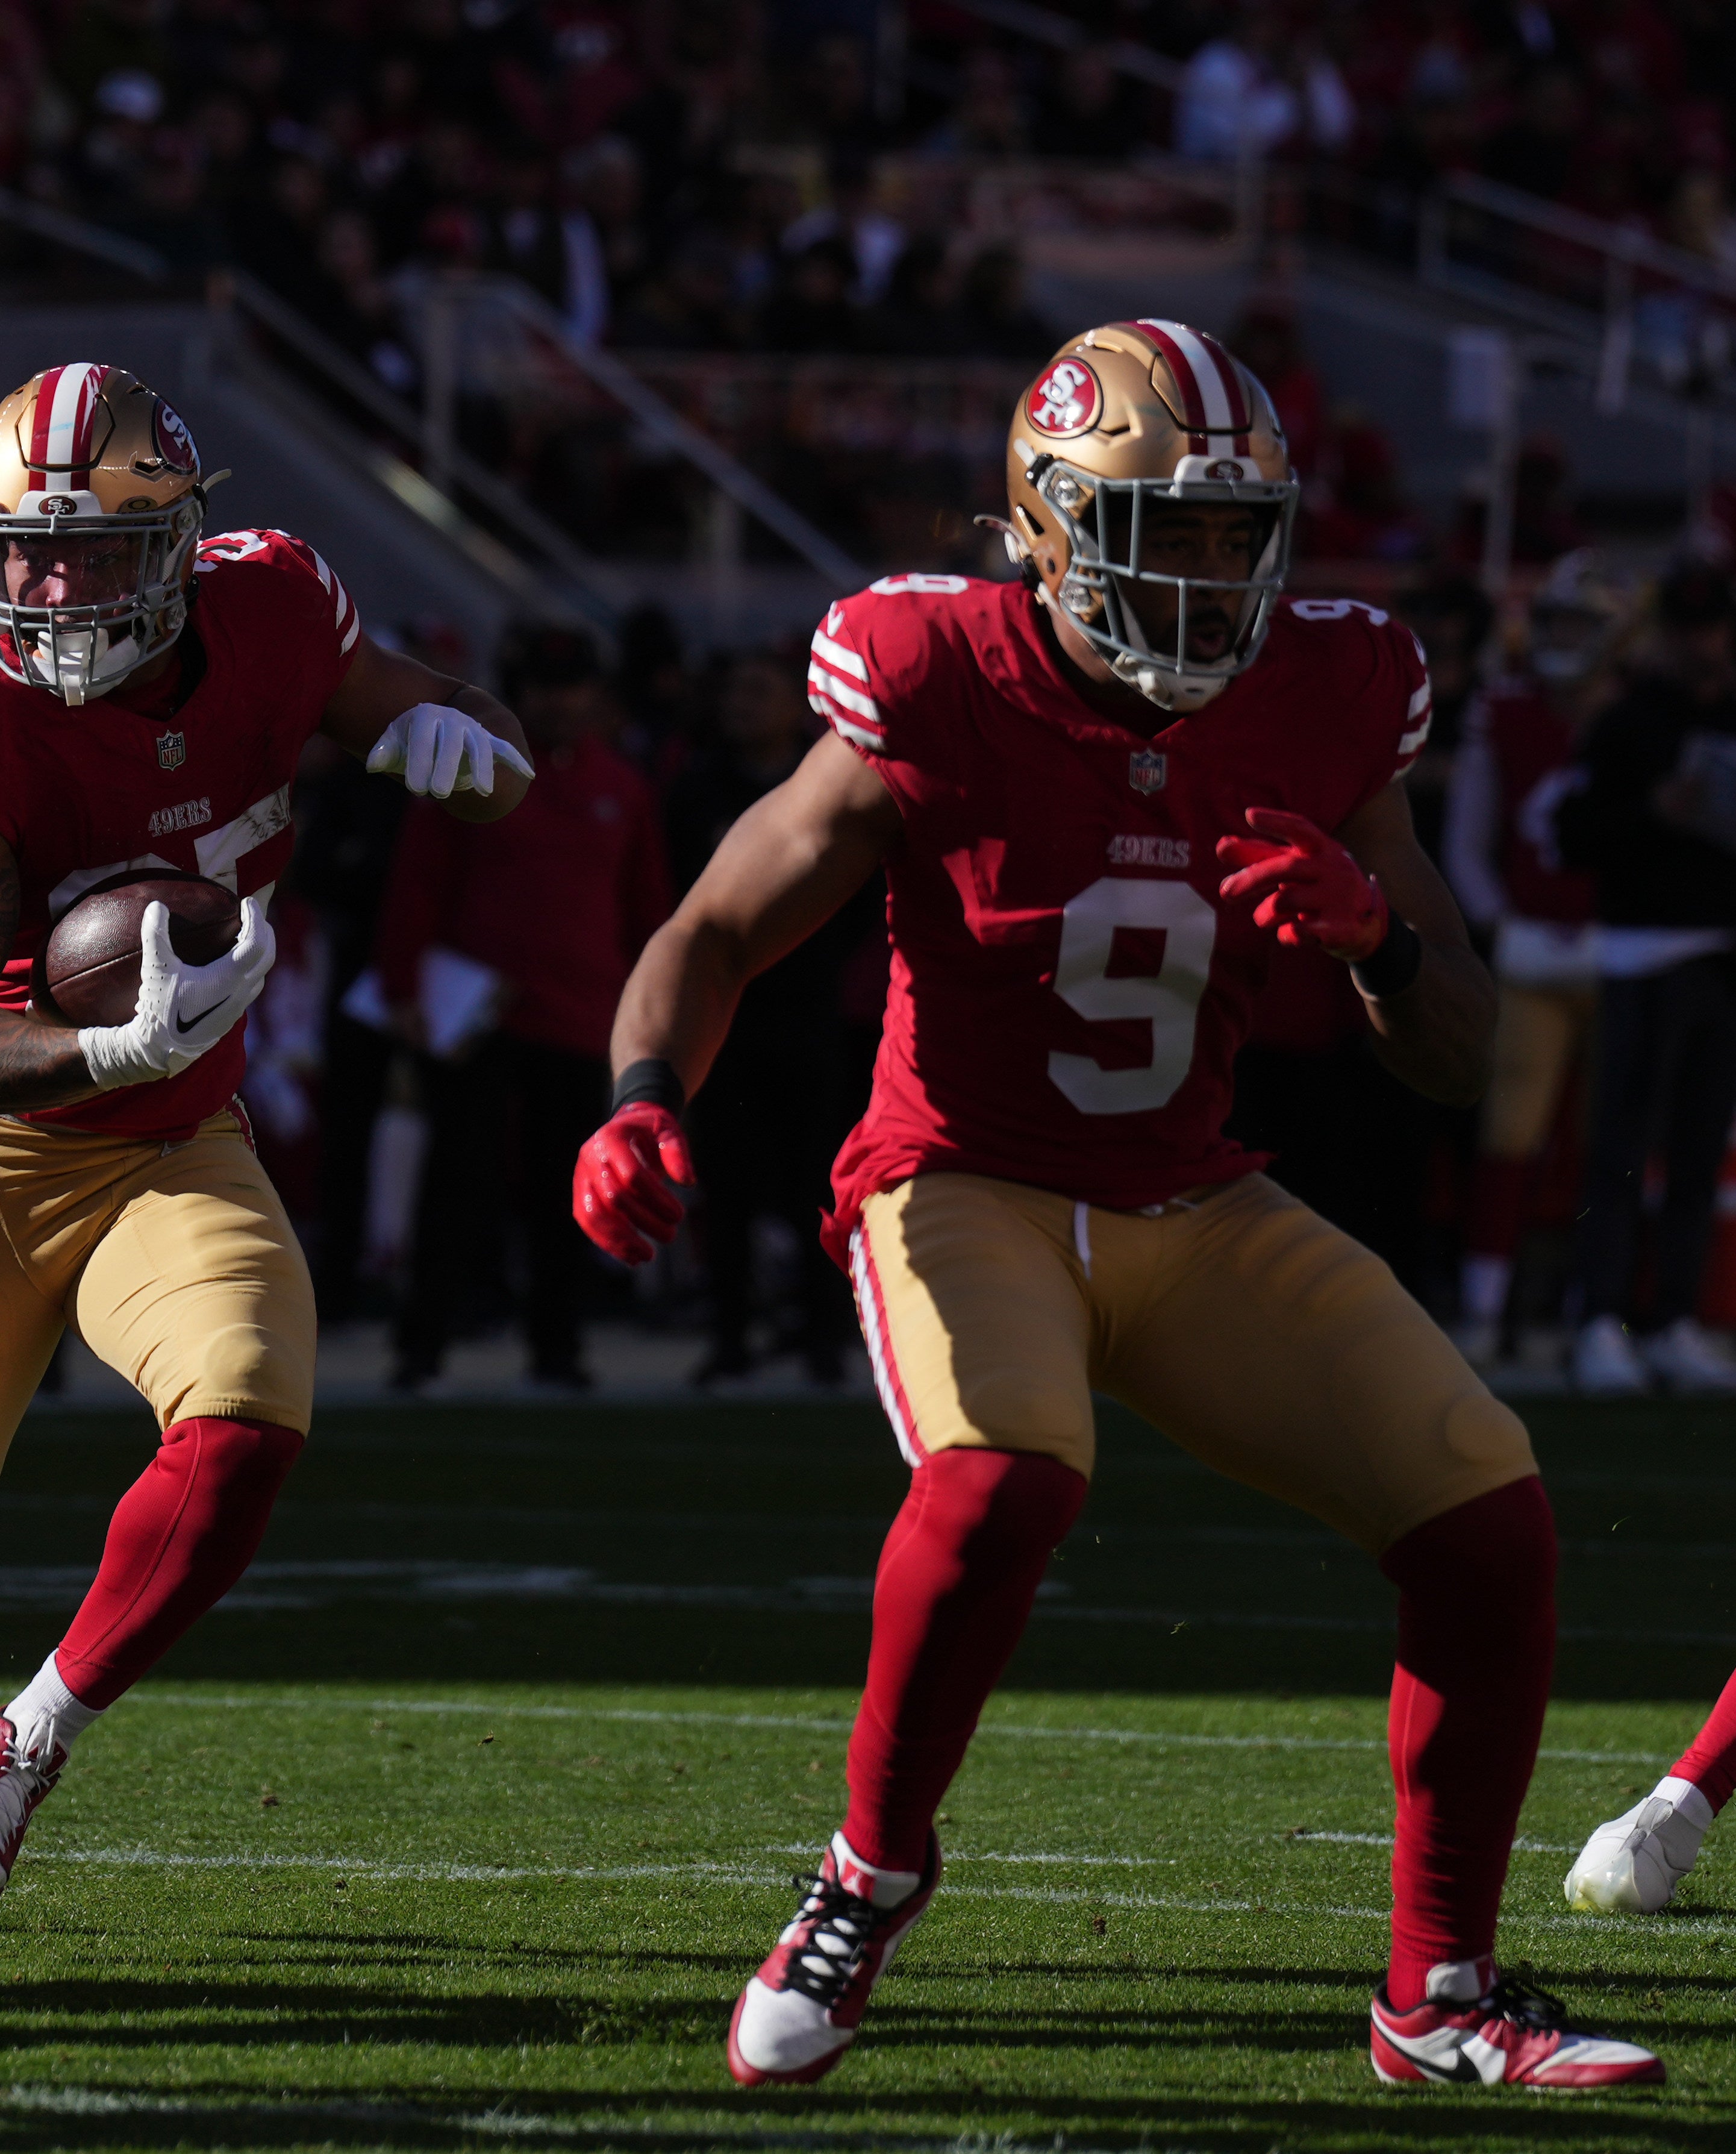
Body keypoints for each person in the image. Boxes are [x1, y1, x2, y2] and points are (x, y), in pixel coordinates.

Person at [573, 319, 1660, 2090]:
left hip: (1185, 1193)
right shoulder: (930, 665)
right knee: (1002, 1472)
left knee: (1485, 1513)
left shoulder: (1324, 689)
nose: (1209, 573)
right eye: (1166, 527)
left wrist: (1378, 940)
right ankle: (863, 1879)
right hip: (959, 1177)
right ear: (1048, 523)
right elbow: (714, 924)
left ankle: (1432, 1992)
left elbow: (1454, 1048)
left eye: (1238, 533)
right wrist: (635, 1098)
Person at [0, 363, 535, 1926]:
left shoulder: (274, 610)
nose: (49, 588)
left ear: (183, 543)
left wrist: (469, 747)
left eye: (91, 551)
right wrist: (102, 1044)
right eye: (20, 548)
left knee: (251, 1415)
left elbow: (454, 734)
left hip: (174, 1139)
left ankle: (30, 1735)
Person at [374, 622, 668, 1393]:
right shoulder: (471, 768)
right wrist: (403, 990)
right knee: (456, 1186)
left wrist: (654, 1010)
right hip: (479, 1020)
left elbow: (647, 909)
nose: (559, 702)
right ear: (518, 690)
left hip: (580, 1017)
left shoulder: (622, 787)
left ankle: (559, 1346)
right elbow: (419, 884)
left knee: (564, 1193)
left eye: (571, 687)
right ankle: (422, 1343)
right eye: (544, 687)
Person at [663, 647, 873, 1385]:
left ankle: (823, 1335)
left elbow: (856, 902)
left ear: (798, 701)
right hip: (728, 1016)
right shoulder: (695, 788)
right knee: (726, 1186)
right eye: (733, 686)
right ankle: (729, 1336)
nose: (740, 702)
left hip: (810, 1014)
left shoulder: (835, 781)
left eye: (758, 686)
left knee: (819, 1182)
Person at [1552, 564, 1736, 1394]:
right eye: (1688, 628)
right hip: (1646, 952)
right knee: (1622, 1150)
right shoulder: (1626, 720)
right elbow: (1571, 829)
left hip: (1718, 953)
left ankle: (1670, 1319)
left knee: (1695, 1150)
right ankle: (1600, 1317)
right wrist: (1652, 812)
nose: (1701, 644)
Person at [1442, 556, 1621, 1367]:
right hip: (1532, 955)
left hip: (1623, 952)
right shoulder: (1505, 710)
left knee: (1606, 1142)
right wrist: (1500, 920)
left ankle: (1591, 1310)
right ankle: (1486, 1305)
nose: (1560, 641)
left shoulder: (1639, 714)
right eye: (1553, 623)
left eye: (1579, 626)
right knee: (1506, 1135)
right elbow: (1469, 843)